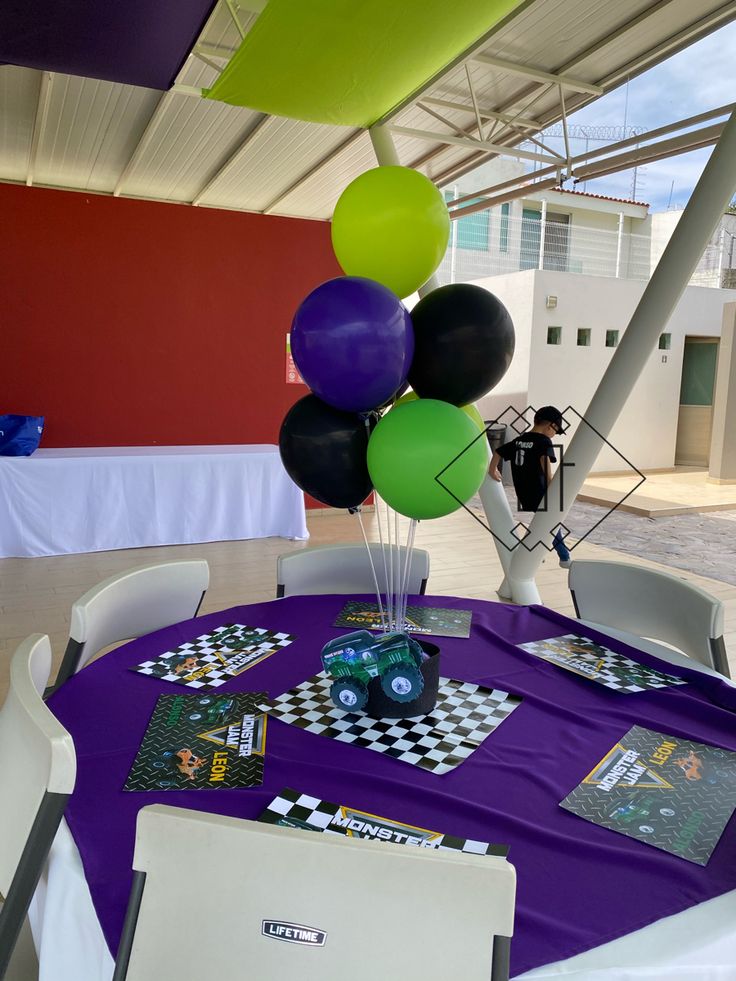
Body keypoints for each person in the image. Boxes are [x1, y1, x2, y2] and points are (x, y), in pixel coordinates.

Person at [488, 406, 571, 568]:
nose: (554, 435)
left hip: (524, 492)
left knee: (544, 522)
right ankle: (564, 557)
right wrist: (552, 488)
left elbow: (498, 451)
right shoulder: (544, 442)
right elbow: (545, 466)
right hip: (540, 491)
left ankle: (533, 553)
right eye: (556, 431)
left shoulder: (519, 440)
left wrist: (493, 470)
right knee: (551, 523)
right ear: (551, 426)